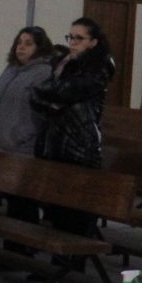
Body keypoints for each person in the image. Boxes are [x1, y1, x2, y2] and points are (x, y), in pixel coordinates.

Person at [31, 17, 117, 237]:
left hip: (80, 146)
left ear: (93, 42)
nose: (73, 42)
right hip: (55, 142)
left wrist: (52, 93)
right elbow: (36, 96)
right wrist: (53, 94)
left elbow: (70, 90)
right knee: (55, 210)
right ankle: (54, 267)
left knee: (76, 212)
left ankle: (73, 265)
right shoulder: (64, 64)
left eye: (79, 38)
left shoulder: (100, 67)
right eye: (70, 37)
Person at [0, 26, 56, 243]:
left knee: (22, 202)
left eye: (28, 43)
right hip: (0, 146)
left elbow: (39, 115)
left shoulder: (44, 73)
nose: (21, 47)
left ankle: (23, 249)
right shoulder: (11, 69)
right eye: (19, 42)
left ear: (40, 48)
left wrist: (17, 136)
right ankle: (9, 252)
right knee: (11, 201)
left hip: (22, 149)